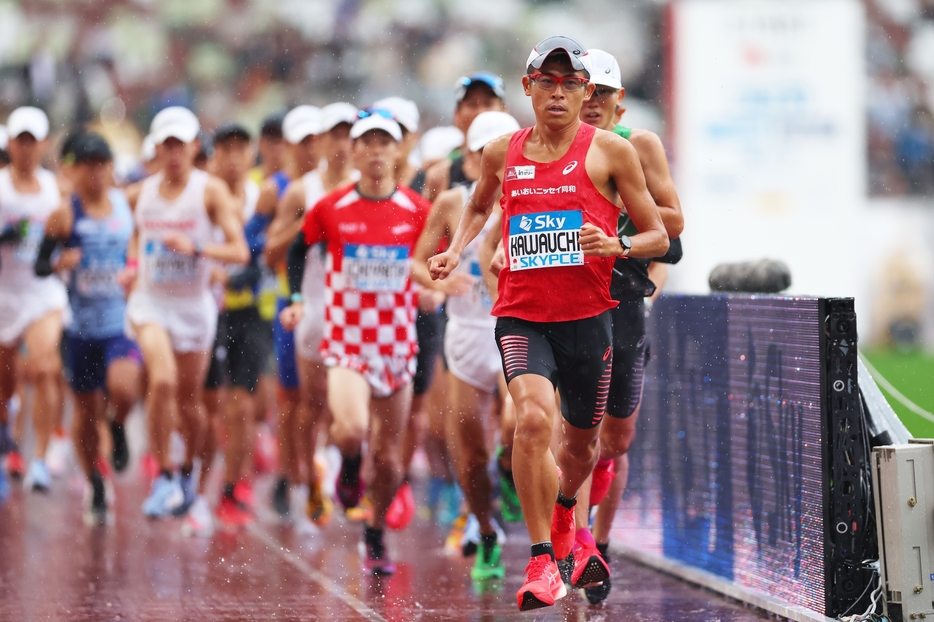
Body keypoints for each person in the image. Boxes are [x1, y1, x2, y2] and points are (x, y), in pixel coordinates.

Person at [428, 36, 668, 611]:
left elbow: (660, 234)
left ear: (584, 91)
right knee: (532, 422)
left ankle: (566, 515)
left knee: (582, 450)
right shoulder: (501, 153)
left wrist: (616, 243)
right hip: (522, 315)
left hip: (589, 320)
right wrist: (454, 247)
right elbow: (482, 205)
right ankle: (541, 559)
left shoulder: (610, 151)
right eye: (547, 82)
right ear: (529, 88)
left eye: (569, 84)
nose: (558, 93)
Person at [279, 111, 430, 575]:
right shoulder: (332, 207)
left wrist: (433, 289)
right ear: (356, 152)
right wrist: (298, 297)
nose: (378, 151)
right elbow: (296, 248)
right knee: (349, 428)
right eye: (369, 143)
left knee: (387, 459)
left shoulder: (416, 210)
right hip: (345, 341)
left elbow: (431, 264)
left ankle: (376, 531)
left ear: (398, 151)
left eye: (386, 142)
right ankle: (346, 466)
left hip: (397, 345)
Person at [574, 48, 684, 604]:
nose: (590, 103)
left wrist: (615, 219)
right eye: (582, 91)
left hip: (622, 300)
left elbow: (674, 221)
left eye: (601, 94)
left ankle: (596, 537)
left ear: (620, 100)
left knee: (615, 441)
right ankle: (575, 540)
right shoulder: (551, 147)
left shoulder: (638, 144)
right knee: (575, 433)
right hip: (564, 304)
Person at [123, 106, 248, 527]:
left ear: (195, 146)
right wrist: (130, 264)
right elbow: (128, 231)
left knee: (190, 403)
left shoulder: (210, 192)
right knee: (161, 380)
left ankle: (189, 472)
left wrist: (197, 249)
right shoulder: (140, 193)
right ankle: (164, 474)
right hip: (150, 303)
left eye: (181, 144)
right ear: (156, 148)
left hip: (194, 308)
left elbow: (239, 251)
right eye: (167, 145)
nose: (174, 153)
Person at [411, 110, 520, 580]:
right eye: (483, 152)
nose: (493, 161)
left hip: (513, 330)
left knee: (519, 425)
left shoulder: (532, 202)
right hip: (466, 335)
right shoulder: (454, 202)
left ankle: (513, 473)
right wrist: (438, 283)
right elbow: (415, 262)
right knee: (470, 454)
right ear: (471, 158)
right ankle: (484, 528)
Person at [35, 133, 142, 522]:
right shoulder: (64, 214)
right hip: (80, 331)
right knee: (84, 412)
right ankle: (96, 483)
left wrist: (133, 268)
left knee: (125, 388)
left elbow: (140, 238)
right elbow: (40, 264)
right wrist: (61, 262)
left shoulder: (124, 203)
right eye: (88, 164)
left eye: (102, 164)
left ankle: (119, 423)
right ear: (74, 169)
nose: (96, 172)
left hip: (118, 325)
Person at [266, 102, 359, 527]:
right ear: (320, 141)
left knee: (350, 405)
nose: (341, 144)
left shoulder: (367, 186)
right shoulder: (301, 191)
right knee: (310, 401)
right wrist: (306, 224)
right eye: (334, 135)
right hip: (313, 305)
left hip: (358, 310)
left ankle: (335, 472)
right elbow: (269, 255)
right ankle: (306, 481)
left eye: (348, 135)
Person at [199, 121, 266, 528]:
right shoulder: (201, 193)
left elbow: (262, 256)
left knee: (242, 405)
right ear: (214, 155)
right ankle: (197, 479)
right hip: (209, 312)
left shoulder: (260, 197)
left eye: (242, 149)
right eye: (226, 150)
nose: (234, 158)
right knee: (210, 408)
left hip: (252, 314)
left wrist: (238, 276)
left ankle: (233, 485)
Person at [0, 106, 68, 493]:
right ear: (10, 143)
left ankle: (40, 457)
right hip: (4, 293)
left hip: (42, 293)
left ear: (42, 144)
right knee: (5, 383)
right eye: (19, 140)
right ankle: (7, 438)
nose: (25, 148)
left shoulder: (55, 188)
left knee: (43, 368)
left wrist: (67, 255)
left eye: (32, 141)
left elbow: (70, 232)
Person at [260, 105, 323, 519]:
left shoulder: (338, 187)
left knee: (325, 399)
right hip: (292, 303)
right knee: (292, 399)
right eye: (302, 142)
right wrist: (304, 225)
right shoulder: (281, 189)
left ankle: (319, 471)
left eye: (314, 140)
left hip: (336, 305)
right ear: (288, 147)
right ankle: (290, 473)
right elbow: (266, 254)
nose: (310, 149)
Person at [421, 72, 507, 202]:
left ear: (504, 111)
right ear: (457, 115)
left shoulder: (525, 167)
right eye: (472, 104)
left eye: (488, 104)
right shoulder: (440, 176)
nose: (480, 112)